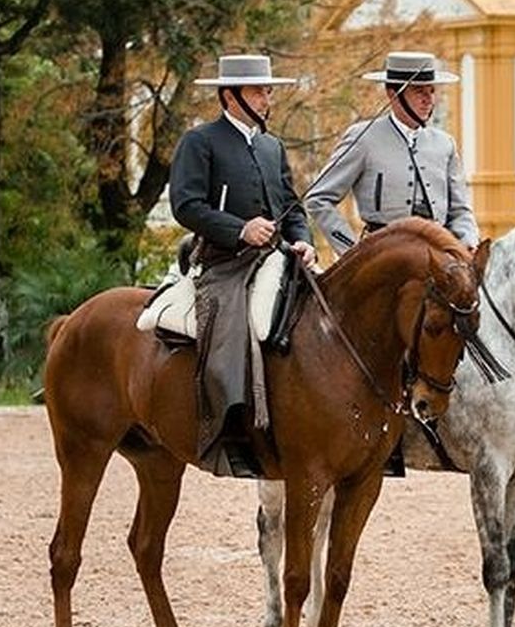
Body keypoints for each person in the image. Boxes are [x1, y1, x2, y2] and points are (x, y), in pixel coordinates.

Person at [168, 54, 315, 477]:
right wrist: (240, 229)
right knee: (236, 322)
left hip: (278, 256)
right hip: (225, 262)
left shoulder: (272, 147)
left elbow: (291, 207)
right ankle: (231, 424)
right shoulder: (200, 141)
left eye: (268, 91)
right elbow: (186, 205)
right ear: (230, 96)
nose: (268, 99)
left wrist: (303, 241)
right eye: (259, 92)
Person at [306, 51, 477, 255]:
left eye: (431, 91)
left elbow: (460, 209)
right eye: (419, 92)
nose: (429, 100)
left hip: (438, 255)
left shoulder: (444, 143)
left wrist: (467, 241)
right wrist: (352, 251)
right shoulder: (363, 137)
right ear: (393, 93)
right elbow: (318, 198)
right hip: (383, 255)